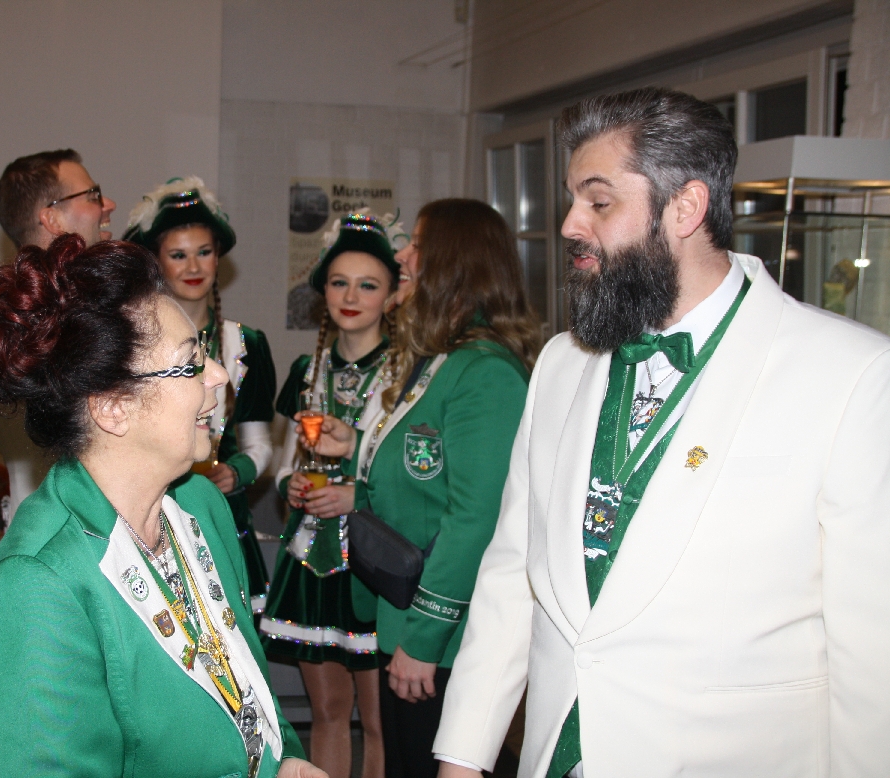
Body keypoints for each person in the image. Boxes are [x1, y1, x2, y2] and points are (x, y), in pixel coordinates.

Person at [433, 87, 890, 778]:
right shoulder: (561, 363)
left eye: (599, 201)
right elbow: (511, 576)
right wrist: (463, 756)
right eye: (572, 199)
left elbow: (873, 656)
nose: (569, 224)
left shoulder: (851, 375)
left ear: (685, 208)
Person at [0, 235, 322, 778]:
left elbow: (246, 685)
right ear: (113, 407)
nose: (218, 375)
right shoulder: (35, 585)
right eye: (191, 363)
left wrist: (286, 759)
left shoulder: (199, 504)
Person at [309, 199, 541, 778]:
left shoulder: (485, 371)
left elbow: (475, 520)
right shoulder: (440, 359)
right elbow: (417, 475)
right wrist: (356, 447)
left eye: (417, 244)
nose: (404, 257)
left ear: (453, 264)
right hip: (404, 614)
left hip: (446, 634)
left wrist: (425, 637)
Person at [262, 211, 404, 778]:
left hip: (374, 564)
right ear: (322, 291)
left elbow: (414, 478)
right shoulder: (306, 369)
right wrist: (289, 484)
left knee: (381, 720)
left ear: (392, 295)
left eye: (368, 285)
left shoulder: (408, 372)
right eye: (339, 283)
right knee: (326, 712)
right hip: (313, 560)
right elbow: (282, 460)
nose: (351, 297)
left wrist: (356, 494)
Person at [124, 177, 277, 614]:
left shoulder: (246, 344)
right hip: (151, 516)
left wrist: (237, 472)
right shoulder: (133, 341)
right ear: (157, 261)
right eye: (178, 255)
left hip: (224, 518)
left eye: (204, 252)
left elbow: (260, 444)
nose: (193, 266)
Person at [0, 149, 118, 520]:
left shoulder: (79, 306)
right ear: (52, 218)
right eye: (92, 196)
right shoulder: (26, 325)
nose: (108, 204)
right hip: (60, 532)